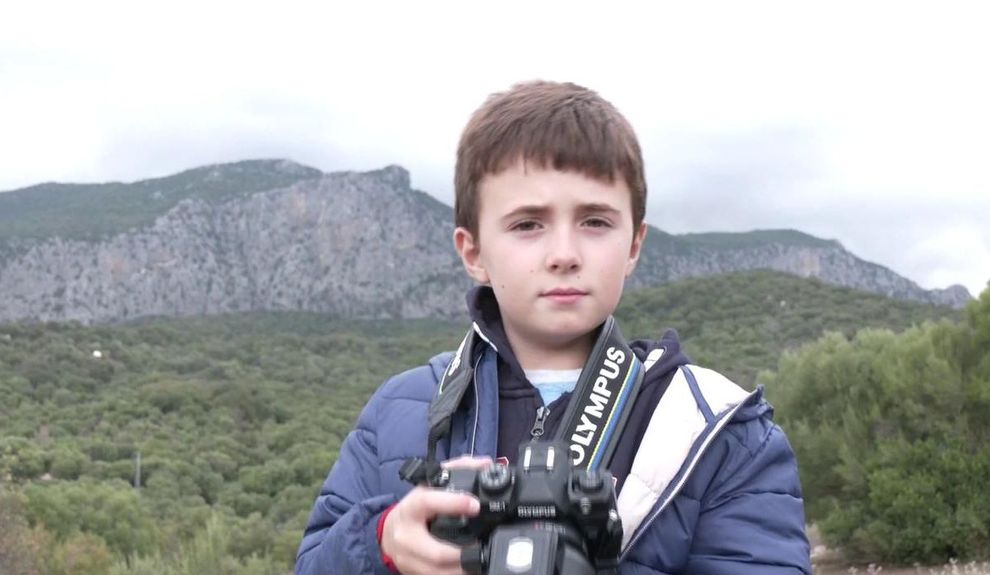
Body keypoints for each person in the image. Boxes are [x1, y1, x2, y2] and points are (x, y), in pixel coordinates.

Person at [294, 80, 811, 574]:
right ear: (473, 252)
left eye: (595, 222)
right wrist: (382, 541)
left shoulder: (719, 429)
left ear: (634, 245)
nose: (564, 254)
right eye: (527, 225)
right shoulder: (400, 412)